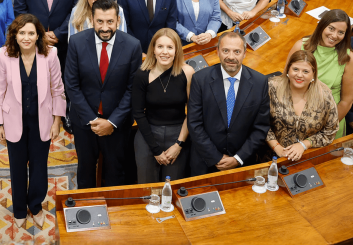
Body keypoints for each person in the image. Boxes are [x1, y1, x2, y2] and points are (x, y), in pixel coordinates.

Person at [0, 14, 65, 227]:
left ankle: (35, 205)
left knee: (38, 166)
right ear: (15, 35)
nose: (26, 37)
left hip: (42, 120)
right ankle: (19, 209)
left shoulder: (50, 54)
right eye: (22, 33)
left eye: (31, 33)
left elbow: (57, 89)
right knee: (17, 167)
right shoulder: (4, 54)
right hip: (12, 119)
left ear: (38, 36)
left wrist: (57, 121)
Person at [63, 0, 143, 188]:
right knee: (85, 171)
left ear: (118, 21)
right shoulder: (76, 42)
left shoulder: (133, 46)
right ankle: (86, 205)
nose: (105, 27)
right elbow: (72, 85)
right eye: (100, 21)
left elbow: (132, 89)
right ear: (92, 20)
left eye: (110, 21)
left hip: (117, 124)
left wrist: (111, 122)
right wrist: (92, 120)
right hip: (84, 122)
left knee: (116, 172)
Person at [187, 31, 270, 175]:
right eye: (226, 51)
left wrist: (238, 158)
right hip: (204, 162)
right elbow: (194, 124)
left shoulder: (260, 82)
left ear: (244, 53)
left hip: (242, 164)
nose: (231, 57)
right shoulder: (200, 79)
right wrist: (216, 157)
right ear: (217, 51)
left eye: (237, 51)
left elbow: (261, 128)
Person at [131, 29, 194, 183]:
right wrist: (156, 150)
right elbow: (138, 113)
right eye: (160, 47)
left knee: (172, 187)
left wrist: (179, 145)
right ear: (153, 49)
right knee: (147, 188)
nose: (164, 52)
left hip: (178, 135)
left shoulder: (187, 72)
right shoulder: (142, 74)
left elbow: (193, 111)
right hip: (148, 135)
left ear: (177, 50)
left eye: (170, 47)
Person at [289, 9, 353, 138]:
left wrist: (324, 128)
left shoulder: (349, 59)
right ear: (322, 26)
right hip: (294, 120)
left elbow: (347, 101)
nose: (334, 35)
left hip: (328, 125)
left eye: (341, 32)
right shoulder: (300, 46)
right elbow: (285, 83)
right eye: (331, 28)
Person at [266, 50, 339, 162]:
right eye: (295, 69)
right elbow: (258, 122)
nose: (299, 75)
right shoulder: (271, 87)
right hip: (270, 157)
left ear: (313, 74)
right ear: (288, 69)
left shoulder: (324, 95)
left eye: (305, 71)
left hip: (307, 158)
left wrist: (304, 144)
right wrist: (277, 147)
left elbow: (330, 131)